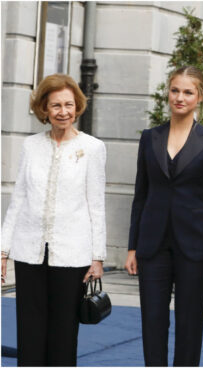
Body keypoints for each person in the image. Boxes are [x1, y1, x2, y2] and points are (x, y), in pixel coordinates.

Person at [124, 66, 203, 366]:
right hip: (152, 245)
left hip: (195, 247)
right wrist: (133, 246)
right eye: (175, 90)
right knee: (152, 324)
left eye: (187, 92)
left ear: (199, 97)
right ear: (167, 93)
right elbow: (140, 195)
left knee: (189, 326)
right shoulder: (150, 138)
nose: (179, 98)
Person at [1, 74, 106, 366]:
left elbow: (96, 205)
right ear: (44, 109)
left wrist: (97, 257)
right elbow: (18, 199)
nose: (63, 111)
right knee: (30, 333)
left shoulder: (93, 148)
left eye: (69, 104)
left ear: (78, 106)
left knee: (63, 335)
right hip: (29, 252)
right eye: (56, 105)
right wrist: (3, 250)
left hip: (72, 255)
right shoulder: (30, 146)